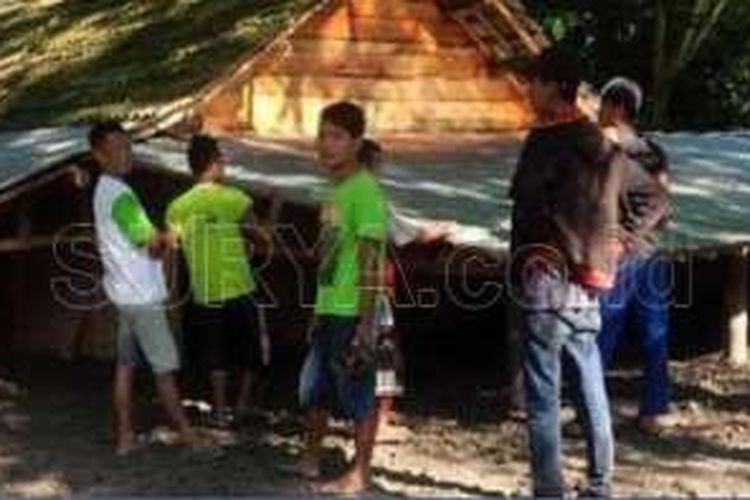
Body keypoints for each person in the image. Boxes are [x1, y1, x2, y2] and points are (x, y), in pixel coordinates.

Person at [509, 47, 623, 497]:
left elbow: (527, 205)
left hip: (546, 278)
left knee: (543, 390)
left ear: (554, 86)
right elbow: (648, 198)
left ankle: (548, 489)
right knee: (589, 380)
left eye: (533, 83)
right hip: (588, 280)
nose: (528, 91)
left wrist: (526, 262)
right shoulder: (600, 141)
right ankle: (599, 484)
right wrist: (619, 242)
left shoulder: (548, 140)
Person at [296, 102, 389, 493]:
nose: (326, 144)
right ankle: (311, 457)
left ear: (355, 143)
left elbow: (370, 262)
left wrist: (367, 323)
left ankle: (361, 471)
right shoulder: (334, 192)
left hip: (355, 310)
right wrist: (318, 309)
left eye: (336, 136)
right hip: (330, 308)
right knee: (314, 389)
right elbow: (330, 260)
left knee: (359, 394)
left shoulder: (365, 191)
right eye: (322, 135)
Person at [89, 121, 198, 455]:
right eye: (117, 149)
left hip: (123, 294)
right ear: (99, 155)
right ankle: (187, 434)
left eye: (128, 147)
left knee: (126, 366)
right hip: (143, 298)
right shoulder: (121, 196)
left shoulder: (102, 191)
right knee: (164, 370)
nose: (126, 154)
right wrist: (172, 234)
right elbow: (150, 245)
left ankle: (125, 437)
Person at [166, 134, 266, 429]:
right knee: (251, 351)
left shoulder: (177, 207)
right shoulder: (235, 198)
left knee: (215, 354)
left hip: (205, 290)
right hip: (241, 286)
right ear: (213, 163)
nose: (226, 164)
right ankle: (243, 406)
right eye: (223, 159)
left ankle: (220, 411)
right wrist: (270, 217)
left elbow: (171, 252)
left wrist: (171, 294)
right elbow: (262, 235)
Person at [357, 139, 453, 432]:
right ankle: (376, 419)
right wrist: (446, 228)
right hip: (373, 288)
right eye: (377, 165)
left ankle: (361, 414)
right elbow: (408, 233)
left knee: (358, 349)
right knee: (383, 351)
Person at [597, 77, 674, 434]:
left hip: (622, 251)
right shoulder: (654, 151)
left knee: (603, 330)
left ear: (617, 108)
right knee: (654, 331)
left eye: (602, 105)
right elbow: (665, 202)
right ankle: (654, 412)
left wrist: (624, 238)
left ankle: (591, 412)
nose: (598, 111)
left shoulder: (609, 147)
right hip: (653, 251)